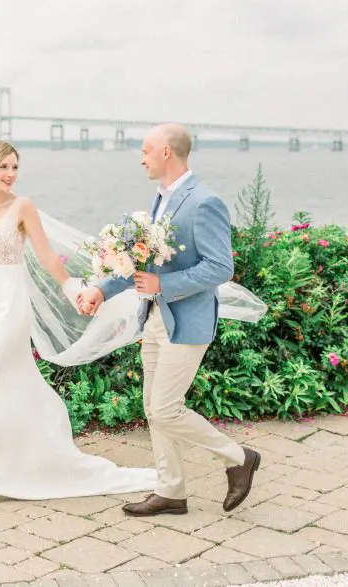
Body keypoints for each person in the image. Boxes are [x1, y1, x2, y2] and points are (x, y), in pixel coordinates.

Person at [0, 140, 157, 500]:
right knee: (9, 382)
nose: (11, 174)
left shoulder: (23, 208)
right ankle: (21, 457)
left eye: (15, 167)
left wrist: (72, 288)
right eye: (4, 168)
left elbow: (46, 257)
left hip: (12, 303)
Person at [77, 123, 261, 516]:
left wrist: (165, 283)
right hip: (155, 319)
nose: (140, 157)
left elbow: (220, 267)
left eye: (145, 150)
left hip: (188, 321)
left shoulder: (205, 202)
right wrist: (101, 289)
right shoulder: (160, 200)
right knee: (151, 406)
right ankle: (171, 492)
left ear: (166, 152)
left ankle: (238, 457)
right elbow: (140, 264)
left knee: (165, 409)